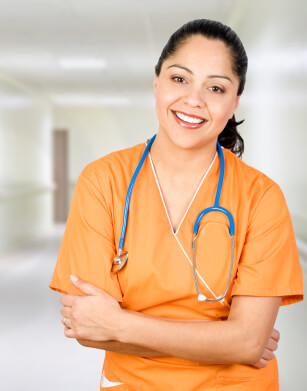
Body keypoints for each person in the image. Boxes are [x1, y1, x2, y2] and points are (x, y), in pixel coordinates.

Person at [49, 19, 303, 390]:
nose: (194, 100)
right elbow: (86, 328)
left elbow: (249, 342)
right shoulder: (103, 181)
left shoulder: (261, 197)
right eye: (179, 79)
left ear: (234, 103)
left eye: (215, 87)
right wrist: (225, 341)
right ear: (157, 81)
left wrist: (119, 324)